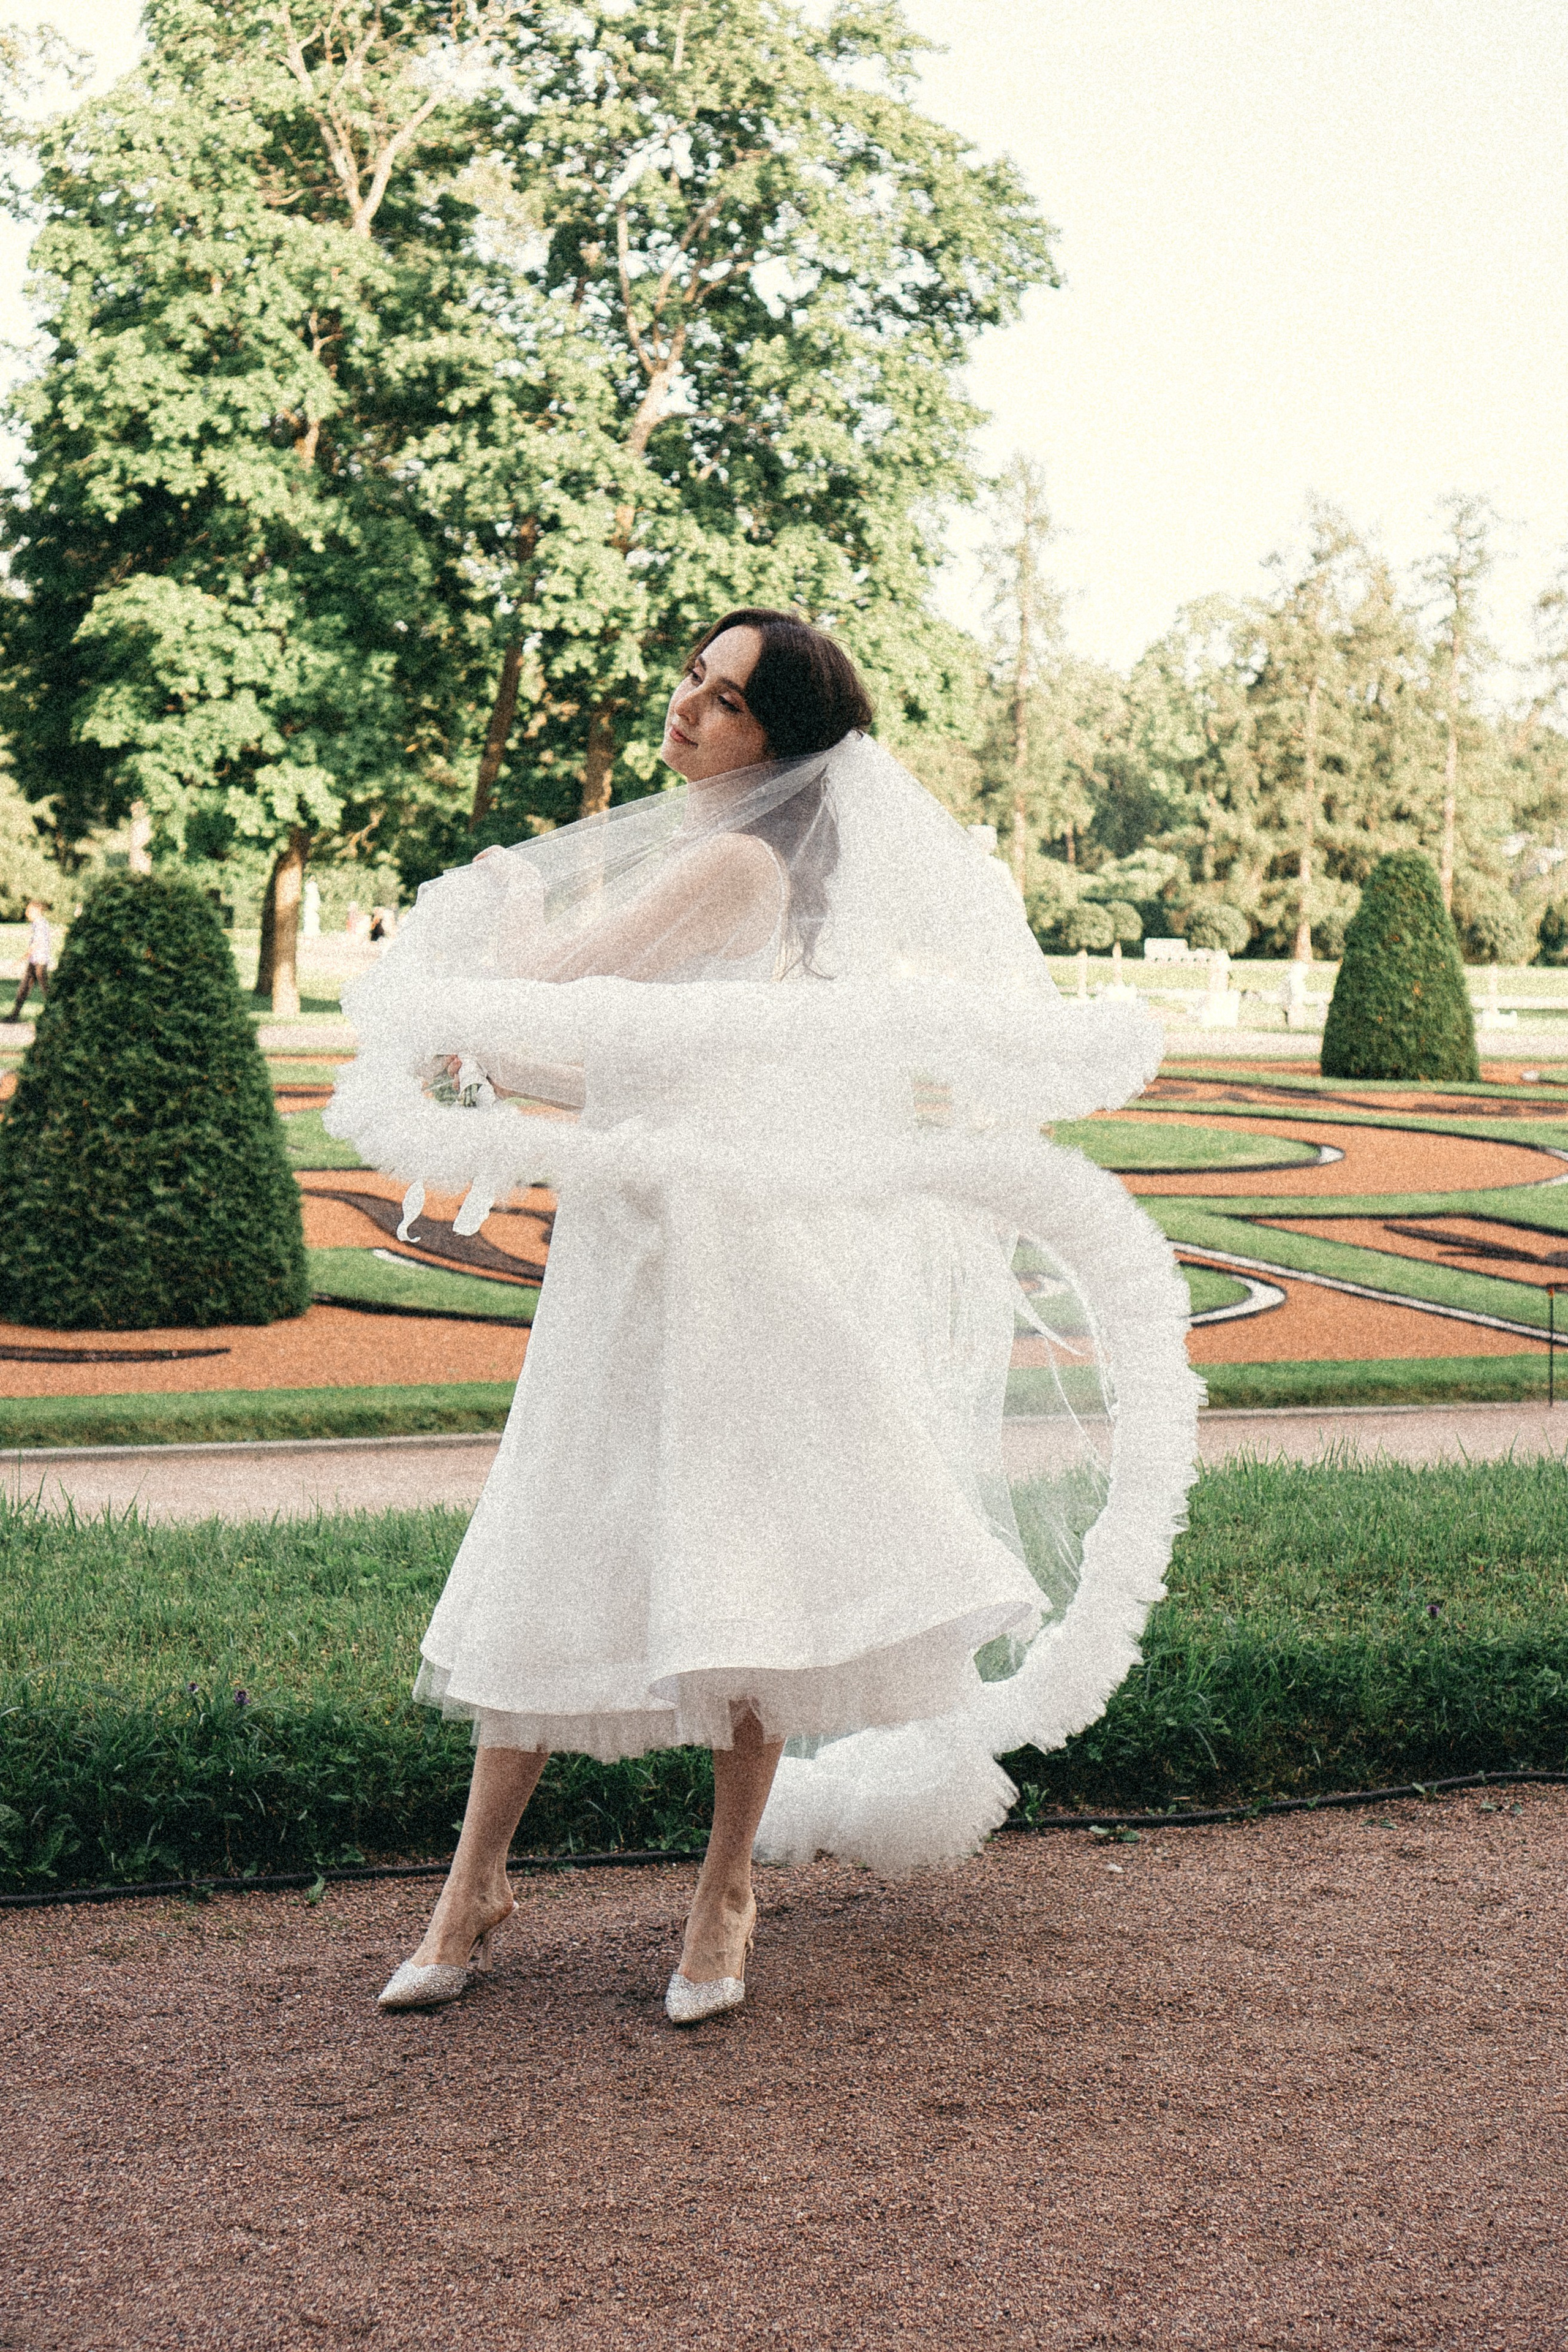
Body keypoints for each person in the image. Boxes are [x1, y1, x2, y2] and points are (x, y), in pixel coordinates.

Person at [328, 609, 1200, 2027]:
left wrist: (501, 919)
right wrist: (496, 1025)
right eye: (693, 675)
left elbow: (542, 1004)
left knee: (744, 1565)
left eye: (725, 698)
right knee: (559, 1529)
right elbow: (603, 1061)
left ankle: (719, 1891)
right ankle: (471, 1886)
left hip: (726, 1256)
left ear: (776, 741)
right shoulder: (723, 860)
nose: (688, 704)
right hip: (634, 1244)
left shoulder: (734, 864)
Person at [10, 900, 52, 1019]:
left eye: (30, 911)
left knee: (46, 989)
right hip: (34, 961)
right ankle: (14, 1015)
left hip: (40, 962)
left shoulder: (41, 924)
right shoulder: (36, 924)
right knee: (24, 988)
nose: (27, 913)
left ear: (38, 911)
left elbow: (35, 945)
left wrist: (20, 960)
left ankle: (54, 1014)